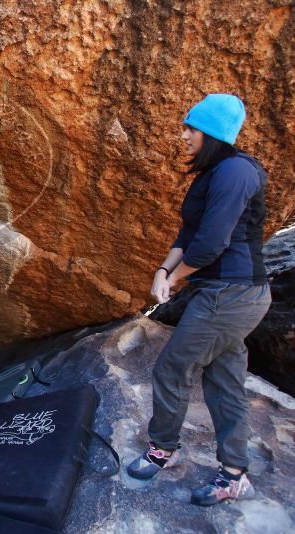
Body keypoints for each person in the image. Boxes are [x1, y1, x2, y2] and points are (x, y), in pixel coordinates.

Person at [126, 94, 272, 506]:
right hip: (224, 293)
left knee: (173, 368)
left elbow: (211, 244)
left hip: (233, 293)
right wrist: (162, 271)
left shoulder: (237, 172)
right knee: (224, 379)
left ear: (212, 133)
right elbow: (189, 235)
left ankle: (162, 450)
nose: (184, 135)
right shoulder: (213, 173)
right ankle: (234, 475)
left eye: (191, 128)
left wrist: (175, 278)